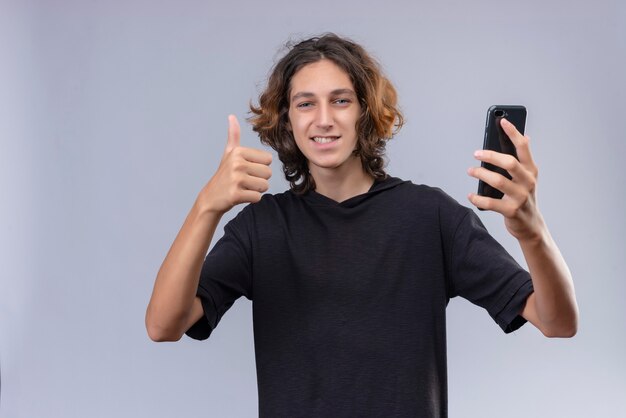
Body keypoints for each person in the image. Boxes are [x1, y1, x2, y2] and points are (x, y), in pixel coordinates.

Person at [145, 33, 578, 417]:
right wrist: (207, 207)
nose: (324, 119)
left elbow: (557, 321)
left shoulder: (430, 216)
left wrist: (531, 230)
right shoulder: (262, 227)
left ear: (366, 111)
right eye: (305, 103)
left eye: (340, 100)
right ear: (287, 119)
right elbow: (163, 326)